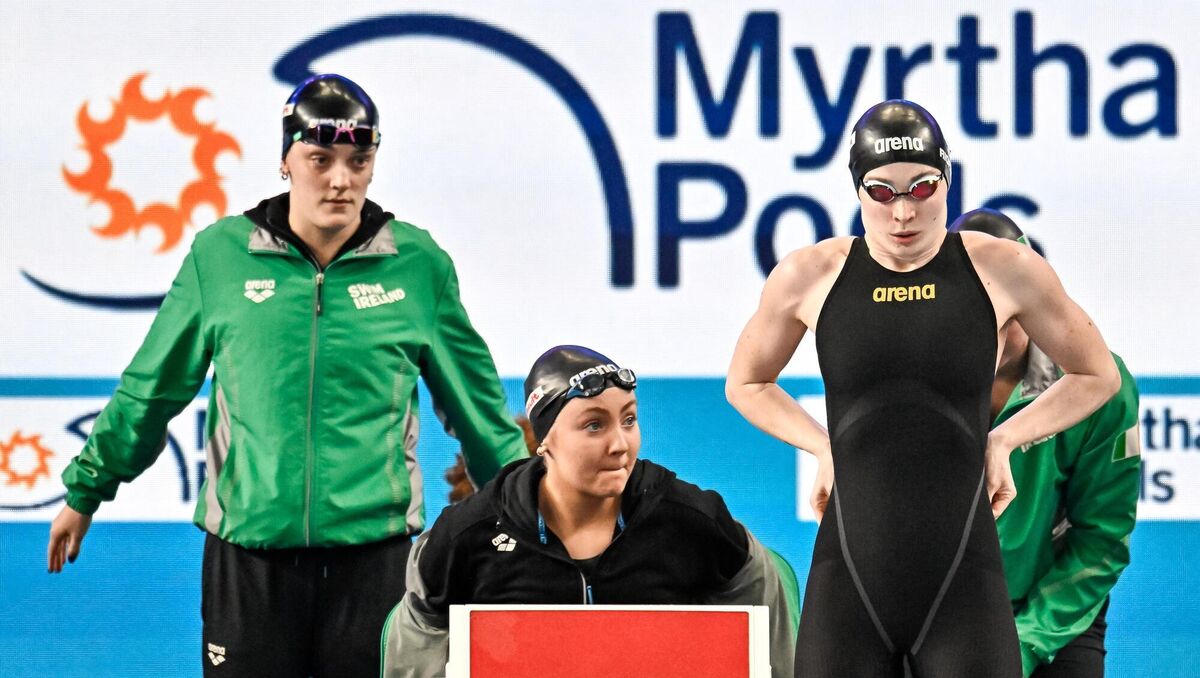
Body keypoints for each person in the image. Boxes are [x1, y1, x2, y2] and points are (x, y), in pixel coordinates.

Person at [45, 73, 529, 677]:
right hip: (249, 560)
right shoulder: (220, 257)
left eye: (359, 160)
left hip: (375, 563)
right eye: (319, 159)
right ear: (285, 161)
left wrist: (528, 514)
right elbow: (153, 388)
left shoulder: (418, 266)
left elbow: (479, 412)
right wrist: (87, 488)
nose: (340, 179)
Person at [725, 100, 1121, 678]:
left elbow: (1097, 375)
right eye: (882, 192)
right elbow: (746, 381)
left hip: (966, 585)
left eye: (922, 188)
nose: (903, 212)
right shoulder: (811, 275)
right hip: (850, 584)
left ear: (947, 180)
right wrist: (823, 445)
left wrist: (1003, 440)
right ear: (858, 191)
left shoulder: (1002, 267)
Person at [383, 345, 796, 678]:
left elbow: (768, 639)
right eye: (594, 426)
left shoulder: (690, 518)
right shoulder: (467, 535)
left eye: (629, 420)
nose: (620, 445)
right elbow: (418, 649)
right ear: (545, 440)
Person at [952, 209, 1140, 678]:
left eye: (1005, 315)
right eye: (971, 316)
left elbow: (1100, 539)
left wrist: (1024, 643)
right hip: (941, 614)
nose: (988, 337)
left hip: (1055, 611)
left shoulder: (1101, 388)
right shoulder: (905, 383)